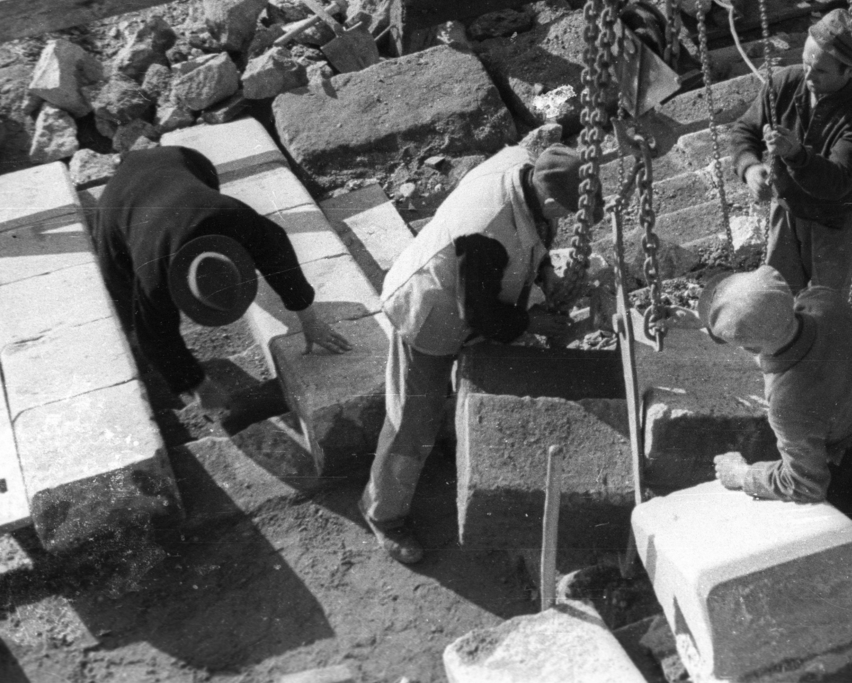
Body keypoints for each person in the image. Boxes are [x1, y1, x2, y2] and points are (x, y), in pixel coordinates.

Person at [360, 144, 590, 564]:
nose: (567, 219)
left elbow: (533, 233)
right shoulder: (485, 231)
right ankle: (384, 514)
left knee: (454, 393)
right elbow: (481, 315)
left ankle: (445, 442)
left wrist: (546, 272)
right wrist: (533, 323)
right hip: (429, 311)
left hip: (469, 296)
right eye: (567, 211)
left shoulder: (524, 166)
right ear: (551, 198)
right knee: (413, 419)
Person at [93, 146, 350, 416]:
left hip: (177, 159)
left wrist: (308, 318)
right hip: (116, 202)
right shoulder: (153, 276)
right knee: (129, 304)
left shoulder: (231, 215)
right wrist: (197, 385)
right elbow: (156, 336)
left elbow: (278, 252)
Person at [701, 266, 852, 522]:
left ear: (749, 347)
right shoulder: (825, 300)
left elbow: (804, 484)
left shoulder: (785, 401)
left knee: (798, 507)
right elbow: (776, 311)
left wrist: (743, 475)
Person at [728, 8, 852, 295]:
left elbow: (839, 180)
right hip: (786, 212)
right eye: (805, 62)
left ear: (849, 71)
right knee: (776, 297)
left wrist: (797, 155)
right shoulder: (785, 82)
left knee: (826, 306)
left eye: (820, 70)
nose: (808, 75)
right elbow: (744, 129)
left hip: (834, 224)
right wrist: (749, 167)